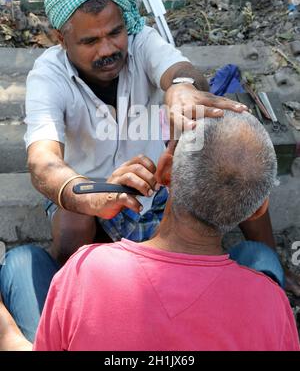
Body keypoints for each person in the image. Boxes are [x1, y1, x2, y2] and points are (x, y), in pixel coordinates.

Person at [25, 0, 300, 296]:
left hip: (159, 183)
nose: (107, 49)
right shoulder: (47, 75)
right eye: (90, 41)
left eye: (115, 32)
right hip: (95, 191)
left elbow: (182, 72)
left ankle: (272, 261)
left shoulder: (142, 42)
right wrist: (89, 193)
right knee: (74, 215)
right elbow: (42, 162)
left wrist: (182, 89)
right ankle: (73, 290)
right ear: (61, 39)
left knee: (234, 165)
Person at [33, 111, 300, 351]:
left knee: (22, 262)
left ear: (165, 172)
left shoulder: (86, 268)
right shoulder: (270, 303)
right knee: (257, 254)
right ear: (258, 210)